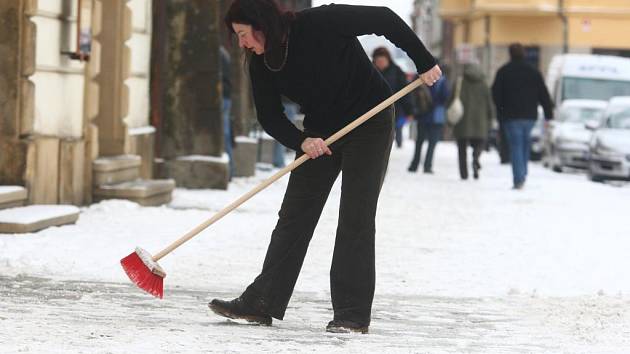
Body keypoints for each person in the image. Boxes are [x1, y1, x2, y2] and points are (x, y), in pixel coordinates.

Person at [212, 0, 441, 334]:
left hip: (370, 120)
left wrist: (424, 61)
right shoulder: (260, 62)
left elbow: (384, 18)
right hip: (321, 130)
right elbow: (270, 116)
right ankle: (262, 301)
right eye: (238, 37)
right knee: (294, 215)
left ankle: (351, 314)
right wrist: (301, 140)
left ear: (262, 25)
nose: (242, 43)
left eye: (243, 34)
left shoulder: (321, 22)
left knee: (355, 216)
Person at [492, 43, 553, 189]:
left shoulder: (504, 71)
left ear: (510, 54)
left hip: (511, 116)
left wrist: (500, 112)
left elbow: (495, 93)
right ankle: (523, 173)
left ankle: (518, 178)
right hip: (529, 116)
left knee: (516, 146)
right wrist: (548, 113)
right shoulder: (533, 72)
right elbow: (543, 93)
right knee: (525, 144)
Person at [453, 62, 494, 180]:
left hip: (462, 121)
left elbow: (451, 101)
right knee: (479, 143)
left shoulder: (459, 83)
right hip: (480, 121)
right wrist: (491, 118)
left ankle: (464, 174)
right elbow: (489, 103)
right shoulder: (484, 84)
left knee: (462, 148)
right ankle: (476, 158)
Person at [408, 69, 449, 174]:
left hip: (422, 114)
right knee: (432, 143)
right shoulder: (442, 80)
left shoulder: (421, 78)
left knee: (419, 141)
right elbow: (445, 97)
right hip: (436, 116)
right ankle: (427, 166)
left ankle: (414, 164)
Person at [372, 47, 413, 148]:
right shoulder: (370, 71)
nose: (380, 63)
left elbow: (405, 93)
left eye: (383, 61)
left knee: (390, 134)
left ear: (388, 60)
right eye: (378, 61)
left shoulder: (397, 71)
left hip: (393, 110)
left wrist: (409, 111)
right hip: (372, 112)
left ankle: (398, 143)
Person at [220, 46, 235, 179]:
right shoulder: (224, 53)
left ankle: (230, 170)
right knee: (226, 133)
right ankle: (231, 170)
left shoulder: (218, 54)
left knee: (224, 134)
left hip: (222, 97)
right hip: (226, 97)